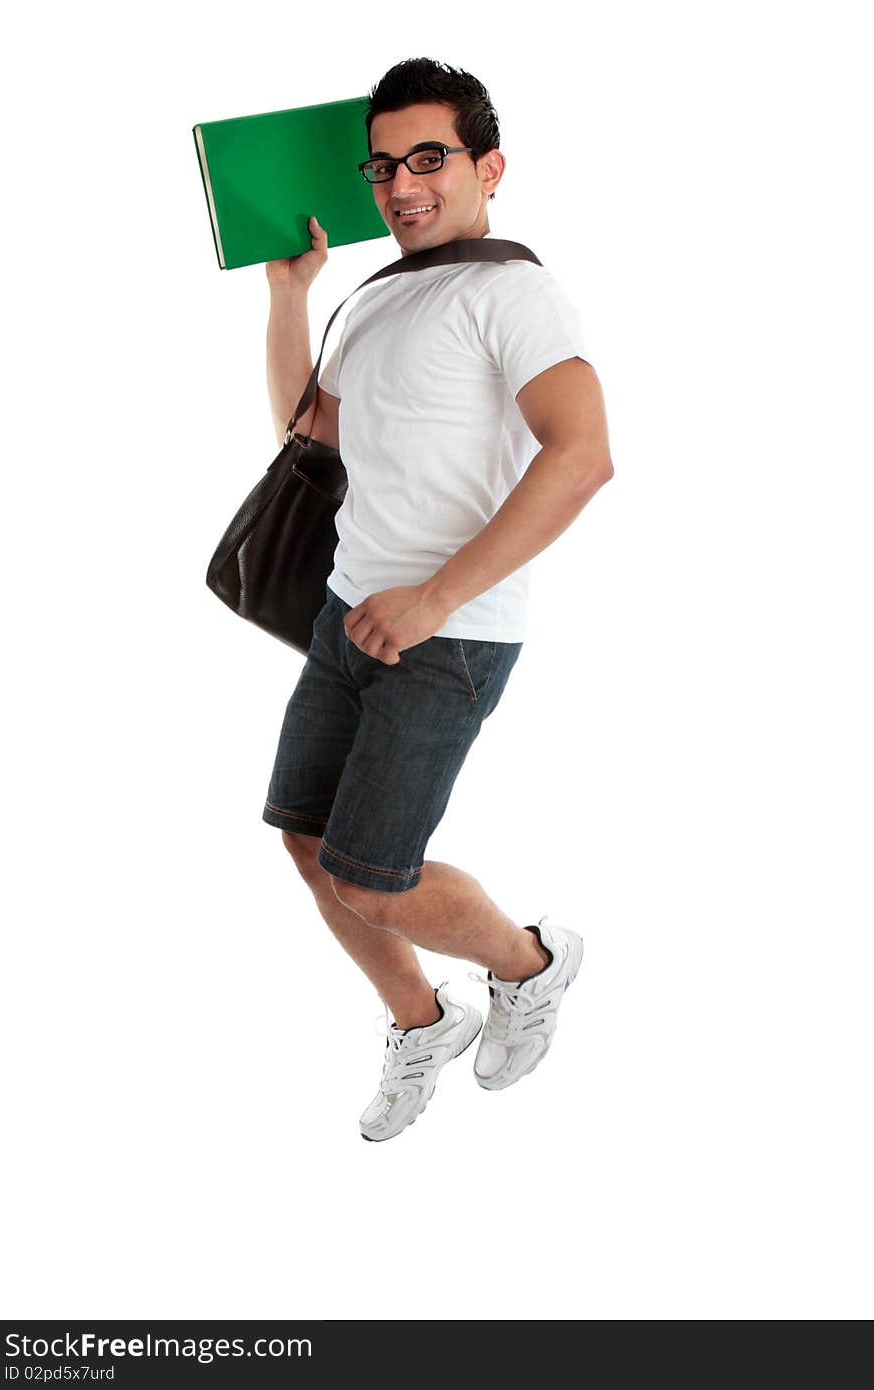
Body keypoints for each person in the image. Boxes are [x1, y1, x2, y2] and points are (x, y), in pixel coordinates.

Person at [262, 57, 613, 1142]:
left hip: (449, 633)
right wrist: (291, 297)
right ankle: (421, 1020)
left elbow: (582, 456)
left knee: (372, 873)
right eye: (385, 164)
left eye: (431, 157)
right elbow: (304, 437)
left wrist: (431, 599)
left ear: (487, 165)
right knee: (309, 843)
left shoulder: (513, 290)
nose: (404, 183)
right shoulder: (379, 296)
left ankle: (533, 962)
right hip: (349, 613)